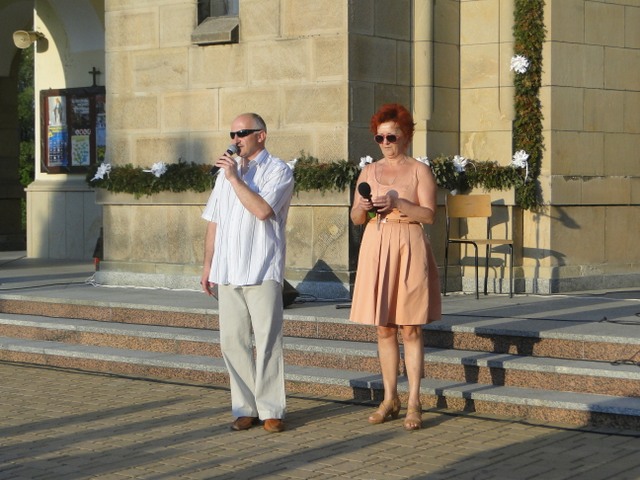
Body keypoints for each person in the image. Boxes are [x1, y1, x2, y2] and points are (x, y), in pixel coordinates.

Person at [349, 103, 441, 430]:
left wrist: (398, 202)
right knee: (384, 327)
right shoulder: (368, 171)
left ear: (406, 136)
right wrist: (362, 207)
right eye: (380, 137)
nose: (386, 143)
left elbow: (429, 215)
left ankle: (414, 401)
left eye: (392, 136)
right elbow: (356, 218)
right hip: (376, 243)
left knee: (410, 327)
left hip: (408, 243)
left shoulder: (419, 171)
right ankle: (389, 398)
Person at [201, 113, 294, 433]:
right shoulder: (226, 173)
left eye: (242, 133)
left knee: (267, 341)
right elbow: (214, 220)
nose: (235, 139)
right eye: (232, 134)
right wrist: (208, 264)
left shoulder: (278, 170)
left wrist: (235, 179)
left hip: (261, 266)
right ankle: (245, 408)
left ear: (261, 135)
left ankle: (271, 410)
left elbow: (263, 210)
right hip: (228, 268)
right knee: (232, 342)